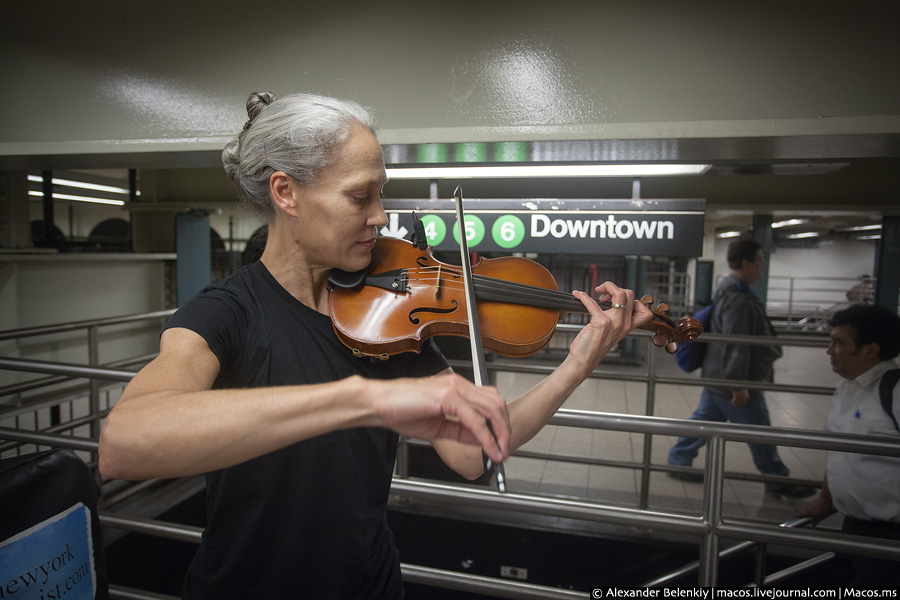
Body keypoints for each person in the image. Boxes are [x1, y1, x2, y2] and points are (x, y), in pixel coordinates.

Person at [97, 91, 653, 599]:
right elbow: (124, 443)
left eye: (381, 194)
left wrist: (575, 367)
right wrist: (362, 400)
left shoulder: (389, 312)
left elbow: (470, 453)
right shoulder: (228, 312)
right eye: (360, 197)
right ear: (286, 192)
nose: (380, 218)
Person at [666, 239, 815, 498]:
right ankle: (777, 478)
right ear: (746, 263)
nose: (762, 266)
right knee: (759, 431)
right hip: (733, 380)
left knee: (704, 421)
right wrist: (738, 384)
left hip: (716, 375)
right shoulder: (739, 299)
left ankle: (678, 459)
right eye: (760, 260)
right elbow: (736, 344)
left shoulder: (726, 290)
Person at [797, 304, 900, 588]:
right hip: (853, 524)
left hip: (889, 534)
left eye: (838, 343)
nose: (830, 351)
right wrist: (825, 499)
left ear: (870, 350)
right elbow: (837, 449)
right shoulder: (847, 388)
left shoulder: (894, 392)